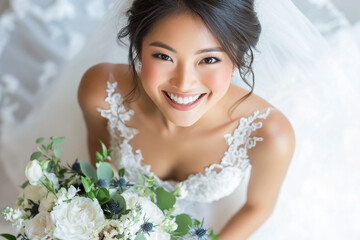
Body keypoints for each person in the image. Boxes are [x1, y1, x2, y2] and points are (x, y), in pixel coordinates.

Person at [77, 0, 295, 238]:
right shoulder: (100, 92)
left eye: (209, 59)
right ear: (138, 50)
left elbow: (258, 207)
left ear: (238, 60)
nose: (183, 84)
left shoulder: (269, 134)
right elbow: (102, 160)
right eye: (163, 56)